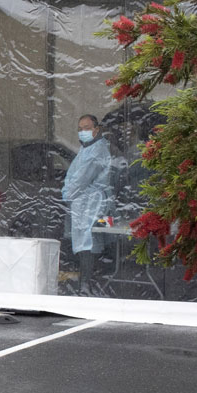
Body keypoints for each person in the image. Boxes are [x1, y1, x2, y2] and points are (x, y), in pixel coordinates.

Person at [62, 114, 113, 293]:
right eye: (80, 128)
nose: (83, 132)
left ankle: (87, 284)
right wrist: (68, 191)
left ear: (96, 130)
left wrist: (68, 193)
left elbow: (82, 179)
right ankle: (86, 283)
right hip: (82, 203)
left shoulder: (97, 150)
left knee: (88, 244)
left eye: (87, 128)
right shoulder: (86, 149)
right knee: (84, 243)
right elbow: (72, 176)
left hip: (92, 203)